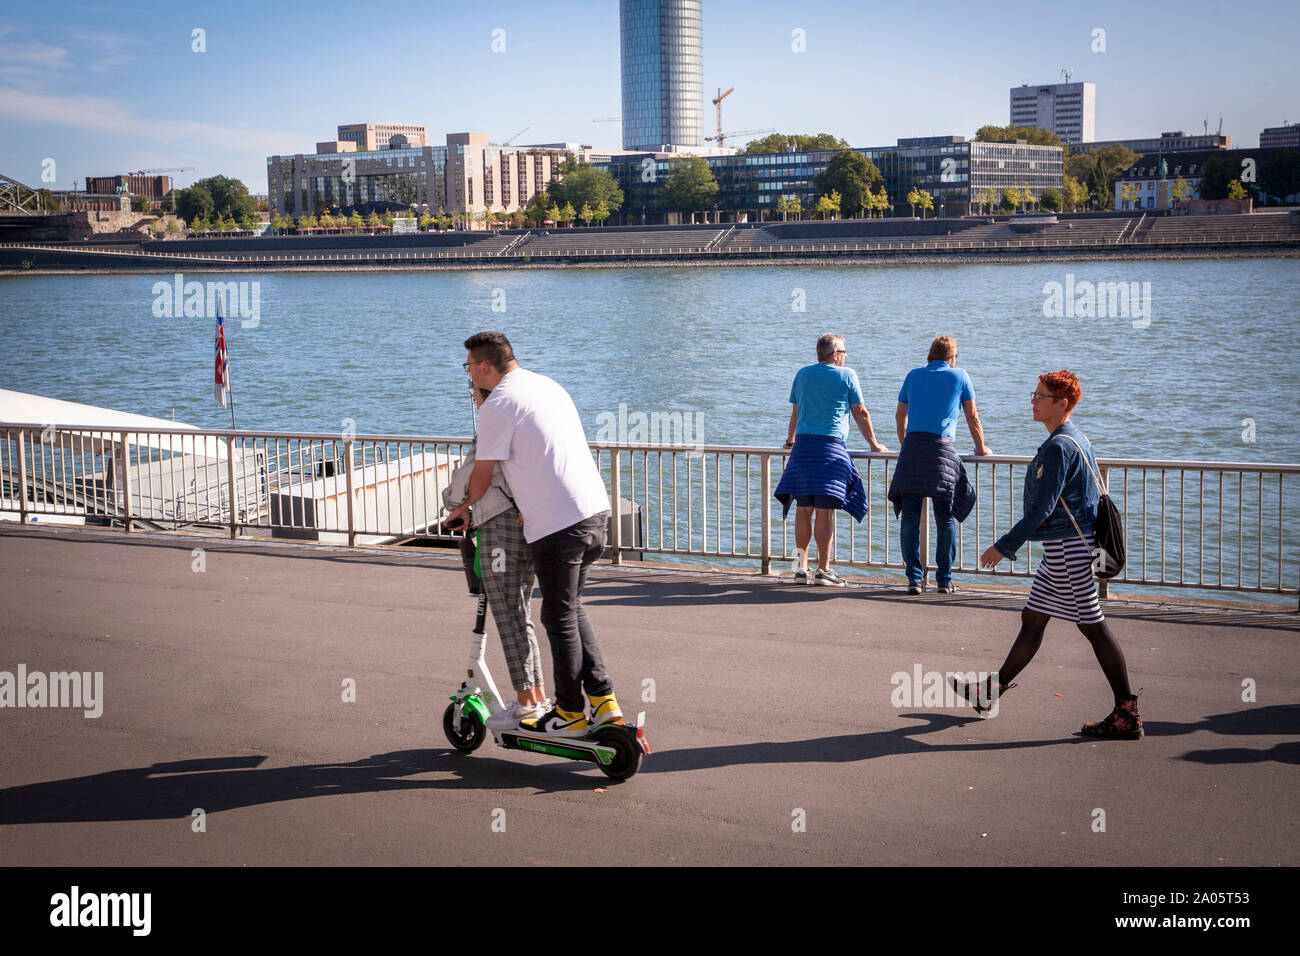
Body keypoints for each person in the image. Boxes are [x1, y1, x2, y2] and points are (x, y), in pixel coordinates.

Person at [444, 332, 621, 738]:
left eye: (469, 366)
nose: (469, 374)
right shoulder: (547, 385)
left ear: (484, 366)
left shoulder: (499, 404)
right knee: (571, 608)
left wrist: (461, 509)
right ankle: (603, 701)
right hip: (595, 511)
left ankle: (570, 711)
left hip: (559, 524)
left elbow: (482, 477)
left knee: (557, 616)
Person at [949, 370, 1141, 740]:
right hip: (1067, 546)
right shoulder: (1075, 438)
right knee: (1033, 618)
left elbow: (1042, 509)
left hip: (1071, 548)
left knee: (1093, 625)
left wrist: (1004, 546)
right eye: (1034, 395)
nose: (1033, 402)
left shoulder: (1059, 447)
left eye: (1040, 397)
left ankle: (1126, 713)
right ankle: (990, 692)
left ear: (1062, 404)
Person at [443, 384, 549, 730]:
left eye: (473, 389)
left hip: (500, 529)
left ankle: (523, 704)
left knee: (506, 614)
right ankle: (536, 696)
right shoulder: (520, 418)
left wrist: (453, 502)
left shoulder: (491, 422)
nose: (471, 395)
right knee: (521, 614)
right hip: (528, 523)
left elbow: (472, 477)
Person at [774, 333, 889, 586]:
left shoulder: (802, 374)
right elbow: (860, 412)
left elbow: (796, 412)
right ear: (835, 354)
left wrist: (790, 441)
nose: (846, 356)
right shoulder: (847, 375)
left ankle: (801, 569)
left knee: (803, 510)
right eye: (845, 352)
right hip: (830, 449)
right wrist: (874, 444)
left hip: (802, 450)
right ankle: (823, 570)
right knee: (824, 513)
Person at [887, 335, 991, 594]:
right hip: (941, 451)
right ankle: (944, 580)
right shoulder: (960, 376)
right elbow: (973, 416)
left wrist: (905, 443)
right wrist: (980, 448)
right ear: (952, 358)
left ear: (929, 356)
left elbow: (900, 415)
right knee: (944, 519)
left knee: (910, 519)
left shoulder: (913, 375)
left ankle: (914, 579)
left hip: (912, 450)